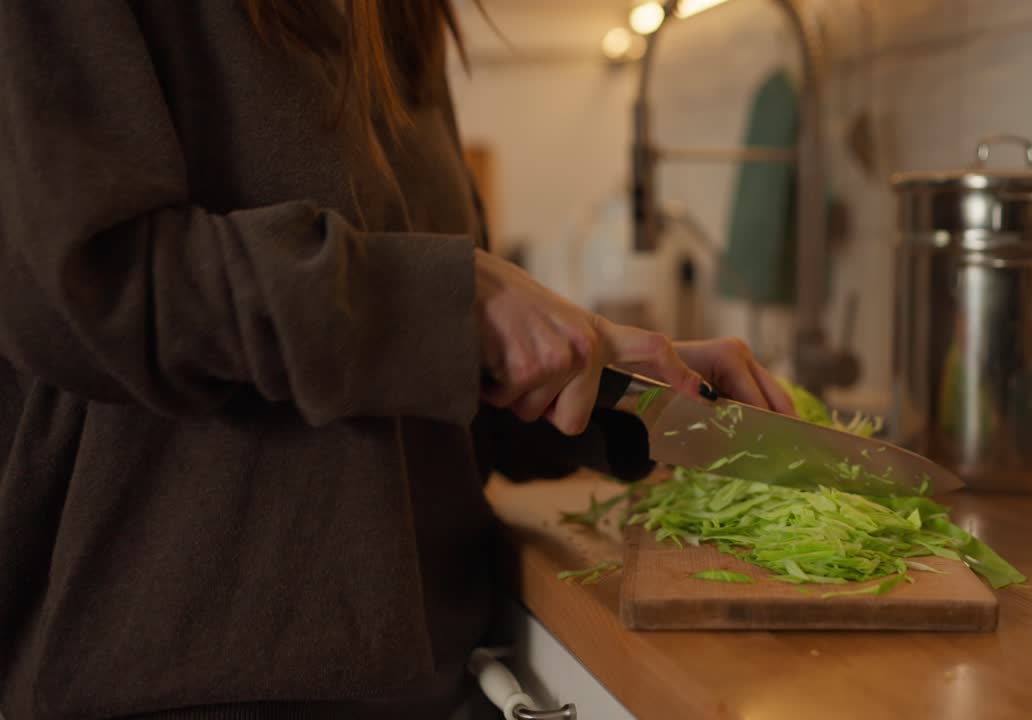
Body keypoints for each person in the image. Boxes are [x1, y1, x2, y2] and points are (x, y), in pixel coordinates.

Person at [0, 2, 795, 718]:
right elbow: (84, 287)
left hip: (435, 671)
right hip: (175, 681)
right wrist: (458, 300)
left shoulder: (398, 15)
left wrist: (624, 385)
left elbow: (410, 371)